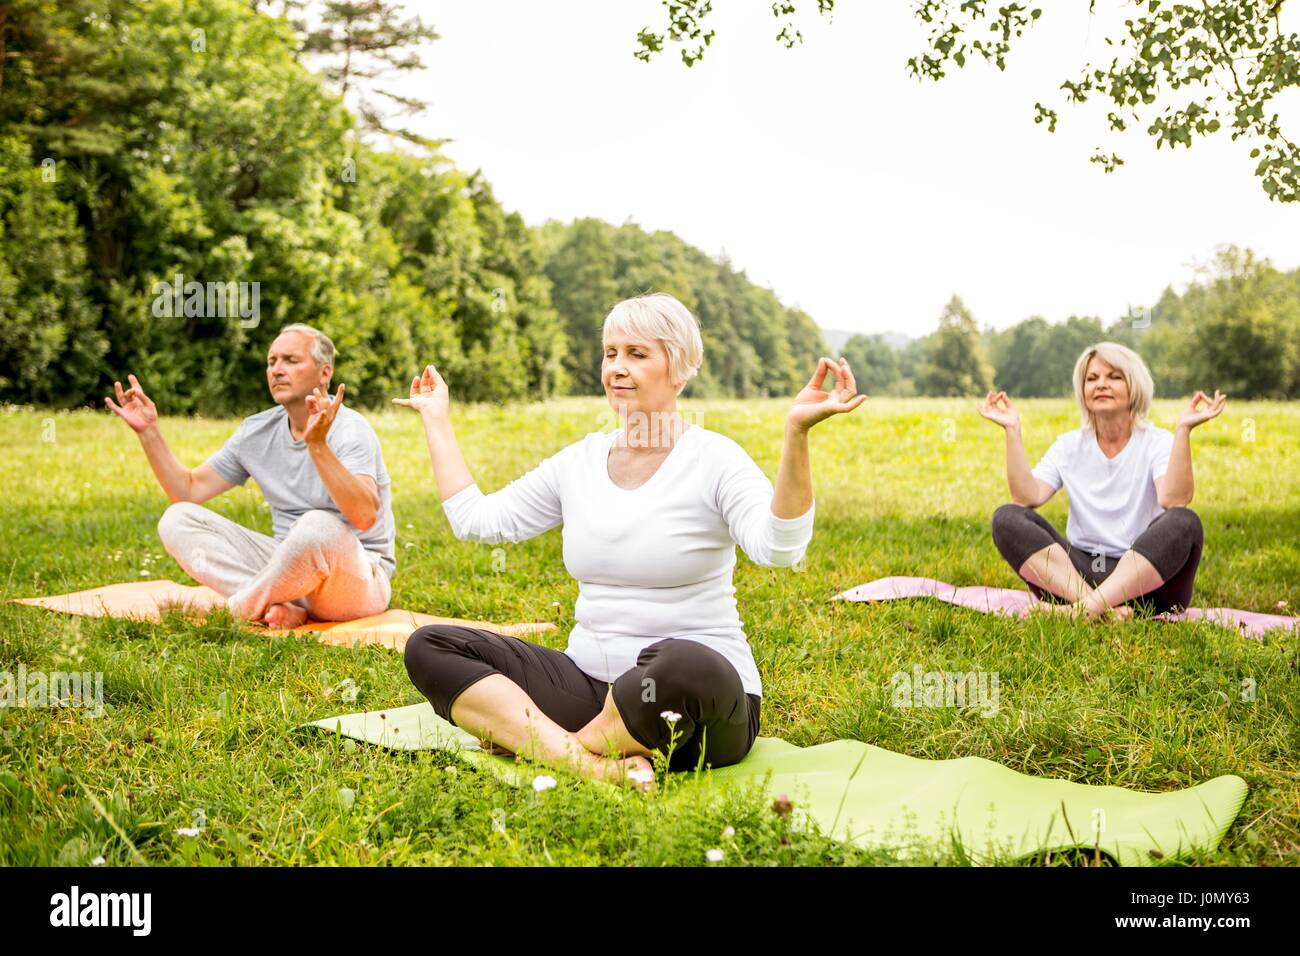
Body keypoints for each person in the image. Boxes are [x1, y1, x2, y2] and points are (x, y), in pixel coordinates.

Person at [395, 293, 866, 791]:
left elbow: (780, 548)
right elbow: (478, 521)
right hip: (592, 690)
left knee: (683, 660)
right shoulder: (579, 463)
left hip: (692, 705)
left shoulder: (714, 459)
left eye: (638, 354)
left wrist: (796, 435)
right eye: (610, 352)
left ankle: (547, 743)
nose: (618, 368)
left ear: (680, 369)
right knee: (432, 645)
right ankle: (592, 762)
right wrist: (436, 419)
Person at [106, 324, 396, 628]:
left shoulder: (351, 429)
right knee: (177, 519)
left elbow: (364, 516)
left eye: (291, 361)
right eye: (272, 362)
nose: (277, 370)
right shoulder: (256, 432)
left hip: (356, 581)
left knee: (317, 524)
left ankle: (236, 609)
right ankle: (281, 605)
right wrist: (149, 432)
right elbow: (187, 491)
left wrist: (318, 446)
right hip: (287, 570)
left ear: (325, 373)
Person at [979, 341, 1225, 621]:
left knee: (1184, 522)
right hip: (1078, 576)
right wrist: (1012, 430)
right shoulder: (1069, 445)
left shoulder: (1157, 442)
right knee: (1007, 518)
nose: (1101, 385)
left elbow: (1173, 500)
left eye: (1114, 377)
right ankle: (1098, 609)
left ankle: (1077, 613)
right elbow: (1026, 497)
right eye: (1092, 379)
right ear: (1083, 392)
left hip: (1147, 579)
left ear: (1134, 386)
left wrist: (1183, 430)